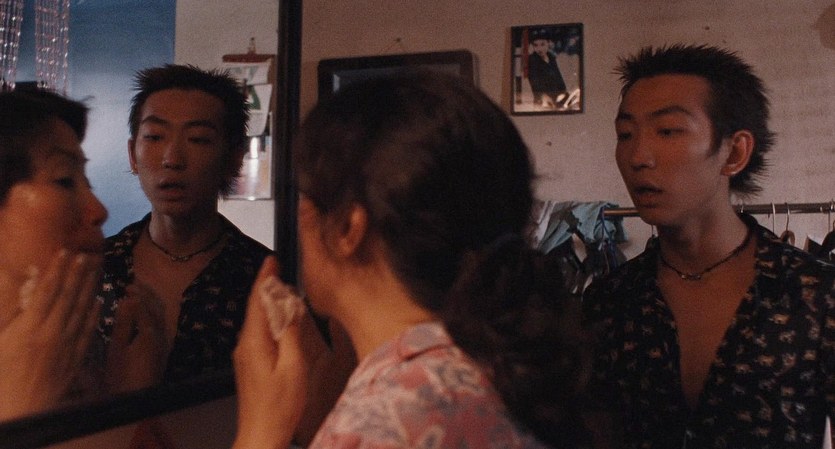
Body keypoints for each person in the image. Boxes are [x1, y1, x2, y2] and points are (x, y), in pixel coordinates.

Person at [231, 72, 591, 449]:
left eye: (306, 200)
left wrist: (260, 429)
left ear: (348, 229)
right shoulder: (483, 369)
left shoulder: (386, 421)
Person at [582, 44, 835, 448]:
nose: (638, 156)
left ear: (734, 152)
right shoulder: (609, 302)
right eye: (625, 134)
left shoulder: (816, 296)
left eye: (668, 131)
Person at [95, 64, 272, 393]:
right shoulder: (96, 269)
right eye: (154, 137)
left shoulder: (263, 278)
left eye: (198, 139)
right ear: (132, 154)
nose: (172, 159)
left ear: (234, 158)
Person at [0, 89, 108, 420]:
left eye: (88, 182)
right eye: (64, 180)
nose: (99, 211)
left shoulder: (85, 346)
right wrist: (17, 406)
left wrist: (130, 389)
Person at [526, 27, 567, 109]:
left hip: (557, 96)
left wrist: (563, 92)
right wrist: (543, 96)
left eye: (542, 44)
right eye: (535, 45)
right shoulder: (532, 60)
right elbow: (534, 81)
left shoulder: (551, 57)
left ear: (548, 43)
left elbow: (558, 76)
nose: (539, 49)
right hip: (544, 100)